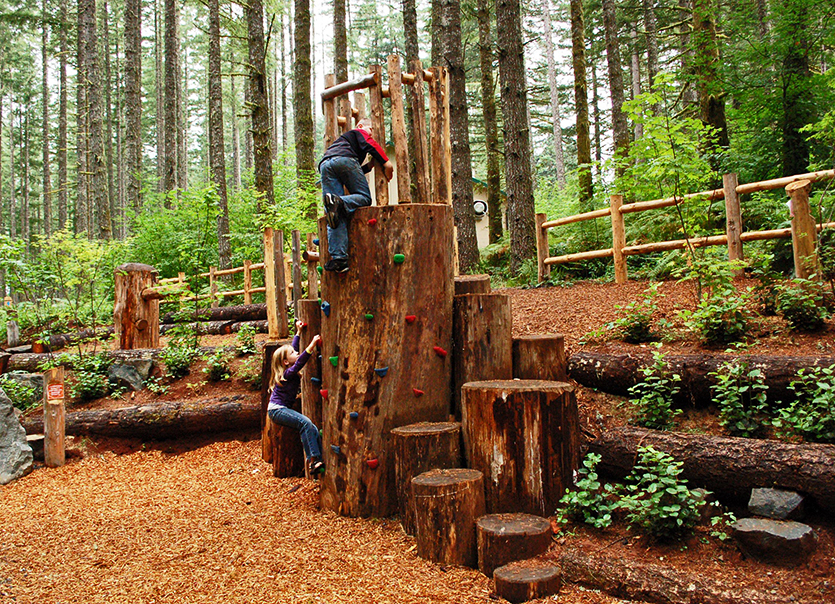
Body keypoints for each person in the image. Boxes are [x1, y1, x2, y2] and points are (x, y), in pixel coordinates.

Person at [319, 118, 394, 272]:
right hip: (344, 161)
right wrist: (387, 163)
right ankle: (339, 201)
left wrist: (368, 166)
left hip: (325, 165)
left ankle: (339, 259)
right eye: (371, 129)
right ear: (360, 126)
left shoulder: (341, 144)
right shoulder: (358, 132)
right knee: (364, 197)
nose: (371, 133)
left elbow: (350, 170)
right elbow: (368, 146)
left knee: (334, 213)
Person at [268, 320, 324, 475]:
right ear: (286, 362)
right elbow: (299, 362)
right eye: (292, 353)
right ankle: (314, 459)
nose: (295, 352)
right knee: (305, 423)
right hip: (277, 410)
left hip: (279, 409)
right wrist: (312, 344)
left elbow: (295, 352)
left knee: (310, 427)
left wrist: (298, 333)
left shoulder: (288, 368)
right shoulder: (288, 374)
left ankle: (315, 460)